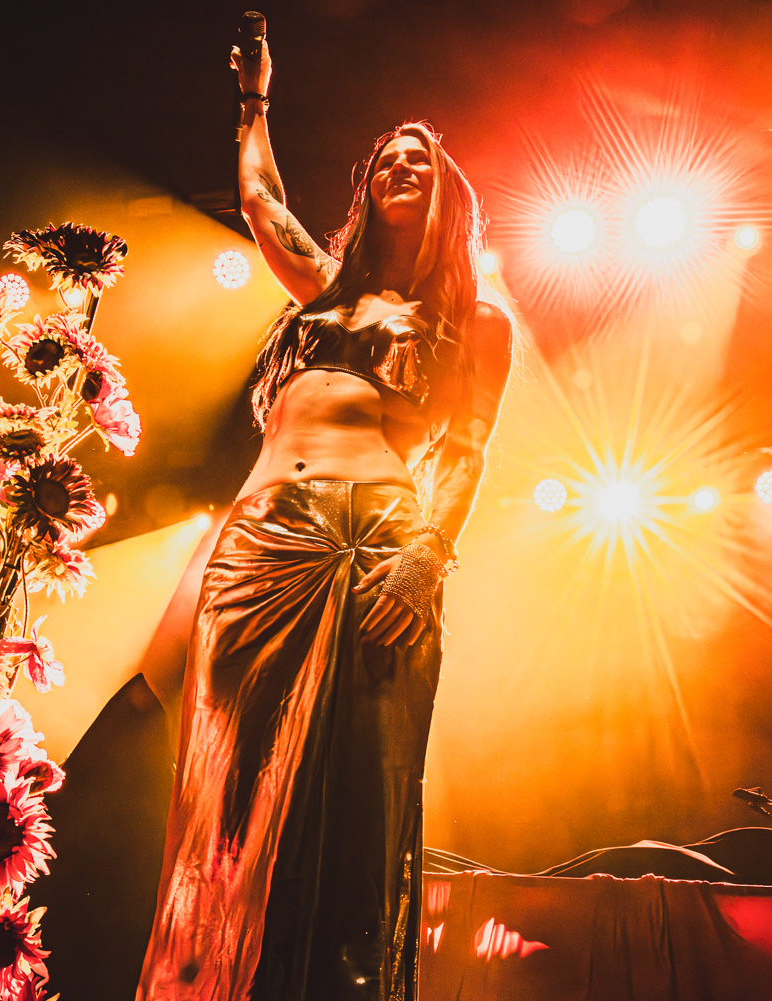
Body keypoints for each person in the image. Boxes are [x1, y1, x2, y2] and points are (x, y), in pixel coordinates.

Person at [136, 30, 513, 1001]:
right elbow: (262, 202)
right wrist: (255, 103)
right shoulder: (326, 286)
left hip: (369, 539)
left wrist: (426, 554)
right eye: (385, 160)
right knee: (232, 773)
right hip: (261, 535)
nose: (399, 168)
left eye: (419, 160)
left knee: (353, 784)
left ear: (449, 194)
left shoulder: (475, 319)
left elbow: (468, 448)